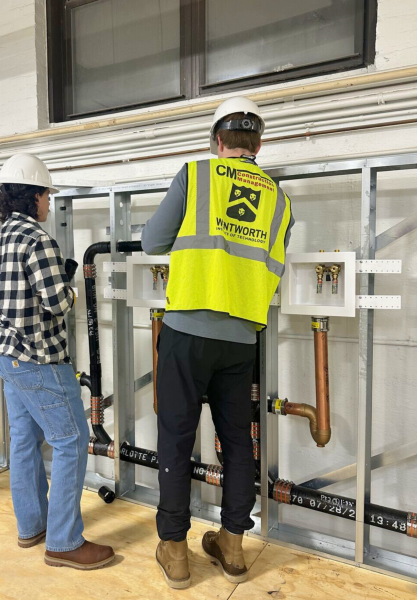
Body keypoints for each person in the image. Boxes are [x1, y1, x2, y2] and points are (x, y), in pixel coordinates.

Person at [140, 97, 294, 588]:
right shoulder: (279, 199)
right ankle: (232, 547)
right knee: (238, 441)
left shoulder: (196, 174)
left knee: (176, 436)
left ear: (217, 141)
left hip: (187, 330)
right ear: (258, 145)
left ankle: (175, 551)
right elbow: (274, 266)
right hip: (241, 339)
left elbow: (151, 242)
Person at [0, 153, 114, 571]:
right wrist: (70, 289)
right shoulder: (38, 241)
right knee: (71, 440)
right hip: (40, 359)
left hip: (6, 356)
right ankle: (64, 542)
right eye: (47, 196)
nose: (49, 203)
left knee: (23, 440)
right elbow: (57, 304)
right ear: (34, 196)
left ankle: (32, 526)